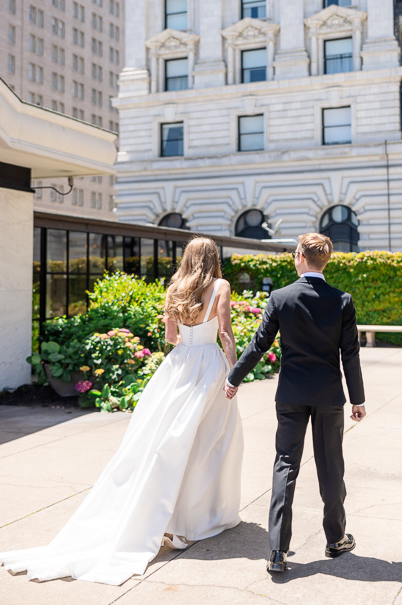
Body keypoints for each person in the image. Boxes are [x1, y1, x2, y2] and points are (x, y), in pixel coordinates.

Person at [0, 237, 243, 586]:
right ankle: (193, 520)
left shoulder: (174, 287)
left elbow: (172, 339)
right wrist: (233, 371)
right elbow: (224, 333)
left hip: (177, 369)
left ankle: (170, 518)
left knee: (165, 443)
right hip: (208, 368)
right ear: (213, 257)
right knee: (207, 444)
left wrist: (180, 328)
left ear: (188, 258)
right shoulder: (221, 285)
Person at [225, 232, 366, 573]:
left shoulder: (280, 297)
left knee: (285, 465)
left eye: (294, 253)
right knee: (331, 466)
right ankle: (336, 539)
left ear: (301, 256)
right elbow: (350, 354)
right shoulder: (342, 300)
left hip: (290, 394)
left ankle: (277, 551)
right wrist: (357, 399)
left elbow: (259, 345)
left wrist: (234, 378)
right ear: (325, 260)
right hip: (329, 395)